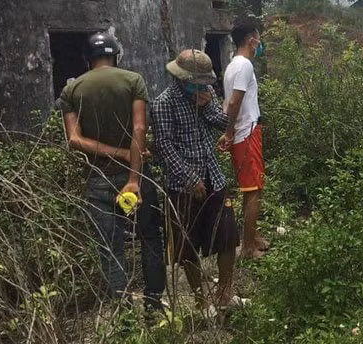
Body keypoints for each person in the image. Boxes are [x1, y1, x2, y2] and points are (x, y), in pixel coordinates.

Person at [58, 32, 165, 315]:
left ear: (87, 59)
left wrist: (117, 153)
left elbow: (74, 139)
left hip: (98, 180)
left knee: (110, 248)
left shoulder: (71, 91)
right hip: (136, 176)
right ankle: (154, 307)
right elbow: (139, 128)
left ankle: (124, 315)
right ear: (115, 56)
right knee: (150, 238)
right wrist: (133, 177)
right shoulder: (133, 81)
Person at [151, 49, 237, 316]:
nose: (201, 87)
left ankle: (224, 293)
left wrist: (209, 106)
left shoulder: (205, 95)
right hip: (183, 186)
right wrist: (190, 178)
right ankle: (201, 301)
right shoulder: (164, 103)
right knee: (187, 247)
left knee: (228, 236)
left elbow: (221, 122)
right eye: (197, 83)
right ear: (182, 79)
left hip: (213, 176)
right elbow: (164, 147)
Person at [219, 18, 269, 259]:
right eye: (258, 39)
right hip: (245, 134)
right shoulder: (244, 66)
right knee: (253, 190)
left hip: (246, 132)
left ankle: (253, 236)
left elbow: (229, 102)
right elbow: (234, 102)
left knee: (253, 187)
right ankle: (248, 247)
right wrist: (229, 132)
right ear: (251, 41)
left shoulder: (233, 66)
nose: (259, 43)